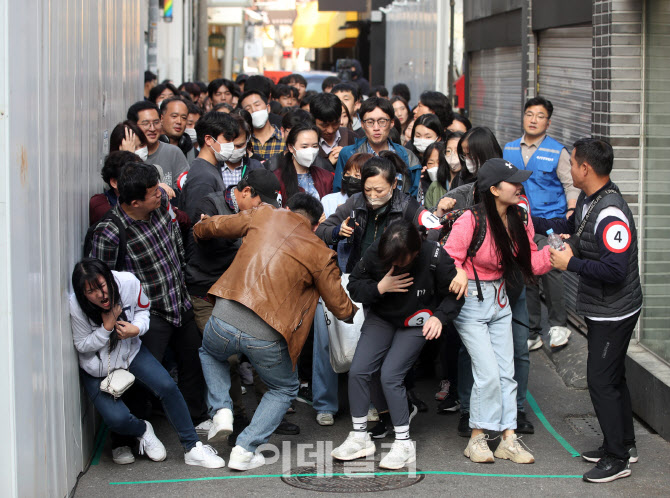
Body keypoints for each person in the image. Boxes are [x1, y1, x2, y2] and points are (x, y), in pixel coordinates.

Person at [193, 193, 357, 470]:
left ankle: (221, 410)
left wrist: (200, 228)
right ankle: (244, 450)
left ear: (288, 208)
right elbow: (340, 307)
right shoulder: (320, 253)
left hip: (224, 316)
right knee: (284, 388)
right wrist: (356, 312)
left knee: (210, 353)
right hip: (268, 335)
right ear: (316, 224)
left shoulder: (264, 214)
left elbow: (217, 226)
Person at [533, 138, 642, 483]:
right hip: (601, 307)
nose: (568, 169)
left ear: (585, 169)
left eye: (573, 163)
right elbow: (576, 232)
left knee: (600, 380)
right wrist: (535, 225)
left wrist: (570, 264)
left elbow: (615, 270)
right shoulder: (588, 198)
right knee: (613, 377)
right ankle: (624, 442)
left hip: (615, 311)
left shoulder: (611, 213)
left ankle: (617, 458)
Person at [331, 220, 462, 469]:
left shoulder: (434, 255)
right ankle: (360, 436)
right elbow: (354, 285)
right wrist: (380, 287)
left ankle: (404, 443)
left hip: (417, 321)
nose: (394, 265)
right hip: (383, 316)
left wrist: (439, 317)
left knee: (390, 375)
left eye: (401, 262)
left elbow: (455, 294)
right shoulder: (377, 251)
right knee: (359, 370)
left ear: (416, 251)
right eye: (389, 261)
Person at [446, 158, 552, 464]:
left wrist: (554, 257)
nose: (520, 186)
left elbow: (529, 259)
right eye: (513, 182)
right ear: (494, 189)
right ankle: (477, 438)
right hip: (471, 301)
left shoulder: (519, 215)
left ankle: (508, 438)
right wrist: (459, 271)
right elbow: (449, 258)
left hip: (501, 298)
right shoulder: (470, 219)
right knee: (488, 373)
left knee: (507, 373)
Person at [70, 258, 224, 468]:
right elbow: (82, 345)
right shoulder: (76, 306)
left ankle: (192, 447)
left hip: (129, 352)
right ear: (82, 294)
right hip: (97, 369)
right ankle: (143, 430)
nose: (100, 295)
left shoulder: (128, 282)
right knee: (117, 419)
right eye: (91, 292)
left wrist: (137, 329)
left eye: (102, 286)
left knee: (167, 386)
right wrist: (105, 329)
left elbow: (144, 310)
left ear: (108, 277)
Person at [88, 162, 208, 428]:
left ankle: (196, 417)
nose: (161, 194)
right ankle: (135, 432)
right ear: (133, 202)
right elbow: (103, 284)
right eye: (153, 192)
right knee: (142, 378)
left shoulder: (161, 203)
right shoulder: (109, 232)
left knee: (193, 361)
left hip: (179, 300)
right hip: (148, 314)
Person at [503, 97, 577, 350]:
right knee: (527, 273)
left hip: (551, 224)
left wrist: (571, 211)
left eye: (540, 115)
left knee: (553, 271)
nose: (533, 120)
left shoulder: (558, 151)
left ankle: (558, 326)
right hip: (520, 223)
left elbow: (570, 185)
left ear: (548, 121)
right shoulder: (509, 149)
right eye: (529, 114)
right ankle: (532, 330)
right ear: (523, 117)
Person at [317, 156, 434, 274]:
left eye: (379, 191)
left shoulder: (408, 207)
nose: (372, 196)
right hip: (359, 276)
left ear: (393, 184)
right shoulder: (356, 201)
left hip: (394, 277)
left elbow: (435, 233)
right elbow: (321, 230)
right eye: (367, 190)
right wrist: (338, 231)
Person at [333, 97, 422, 198]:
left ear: (392, 123)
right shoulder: (348, 154)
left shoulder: (408, 157)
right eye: (370, 122)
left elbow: (414, 198)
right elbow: (339, 193)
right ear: (362, 124)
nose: (376, 128)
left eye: (382, 121)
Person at [180, 111, 254, 222]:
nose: (231, 145)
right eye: (228, 139)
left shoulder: (209, 169)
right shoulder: (203, 177)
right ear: (209, 140)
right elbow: (197, 226)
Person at [127, 101, 189, 199]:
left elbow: (184, 192)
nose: (152, 128)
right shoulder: (126, 153)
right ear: (133, 126)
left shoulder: (173, 152)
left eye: (156, 122)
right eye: (146, 123)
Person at [274, 122, 333, 203]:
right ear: (291, 147)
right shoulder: (277, 178)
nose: (310, 151)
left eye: (315, 146)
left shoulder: (326, 177)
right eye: (304, 146)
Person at [311, 93, 358, 173]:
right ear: (313, 120)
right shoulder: (307, 142)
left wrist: (349, 154)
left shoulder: (351, 137)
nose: (330, 130)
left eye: (335, 123)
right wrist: (327, 164)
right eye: (324, 125)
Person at [239, 90, 284, 160]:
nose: (254, 110)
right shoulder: (243, 142)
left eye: (257, 105)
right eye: (248, 109)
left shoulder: (284, 138)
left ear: (268, 108)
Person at [406, 113, 445, 195]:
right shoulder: (406, 154)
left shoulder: (445, 154)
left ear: (439, 138)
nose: (422, 140)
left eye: (428, 137)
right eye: (418, 136)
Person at [159, 97, 196, 163]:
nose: (179, 121)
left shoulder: (194, 154)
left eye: (183, 118)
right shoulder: (149, 149)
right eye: (174, 116)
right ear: (162, 118)